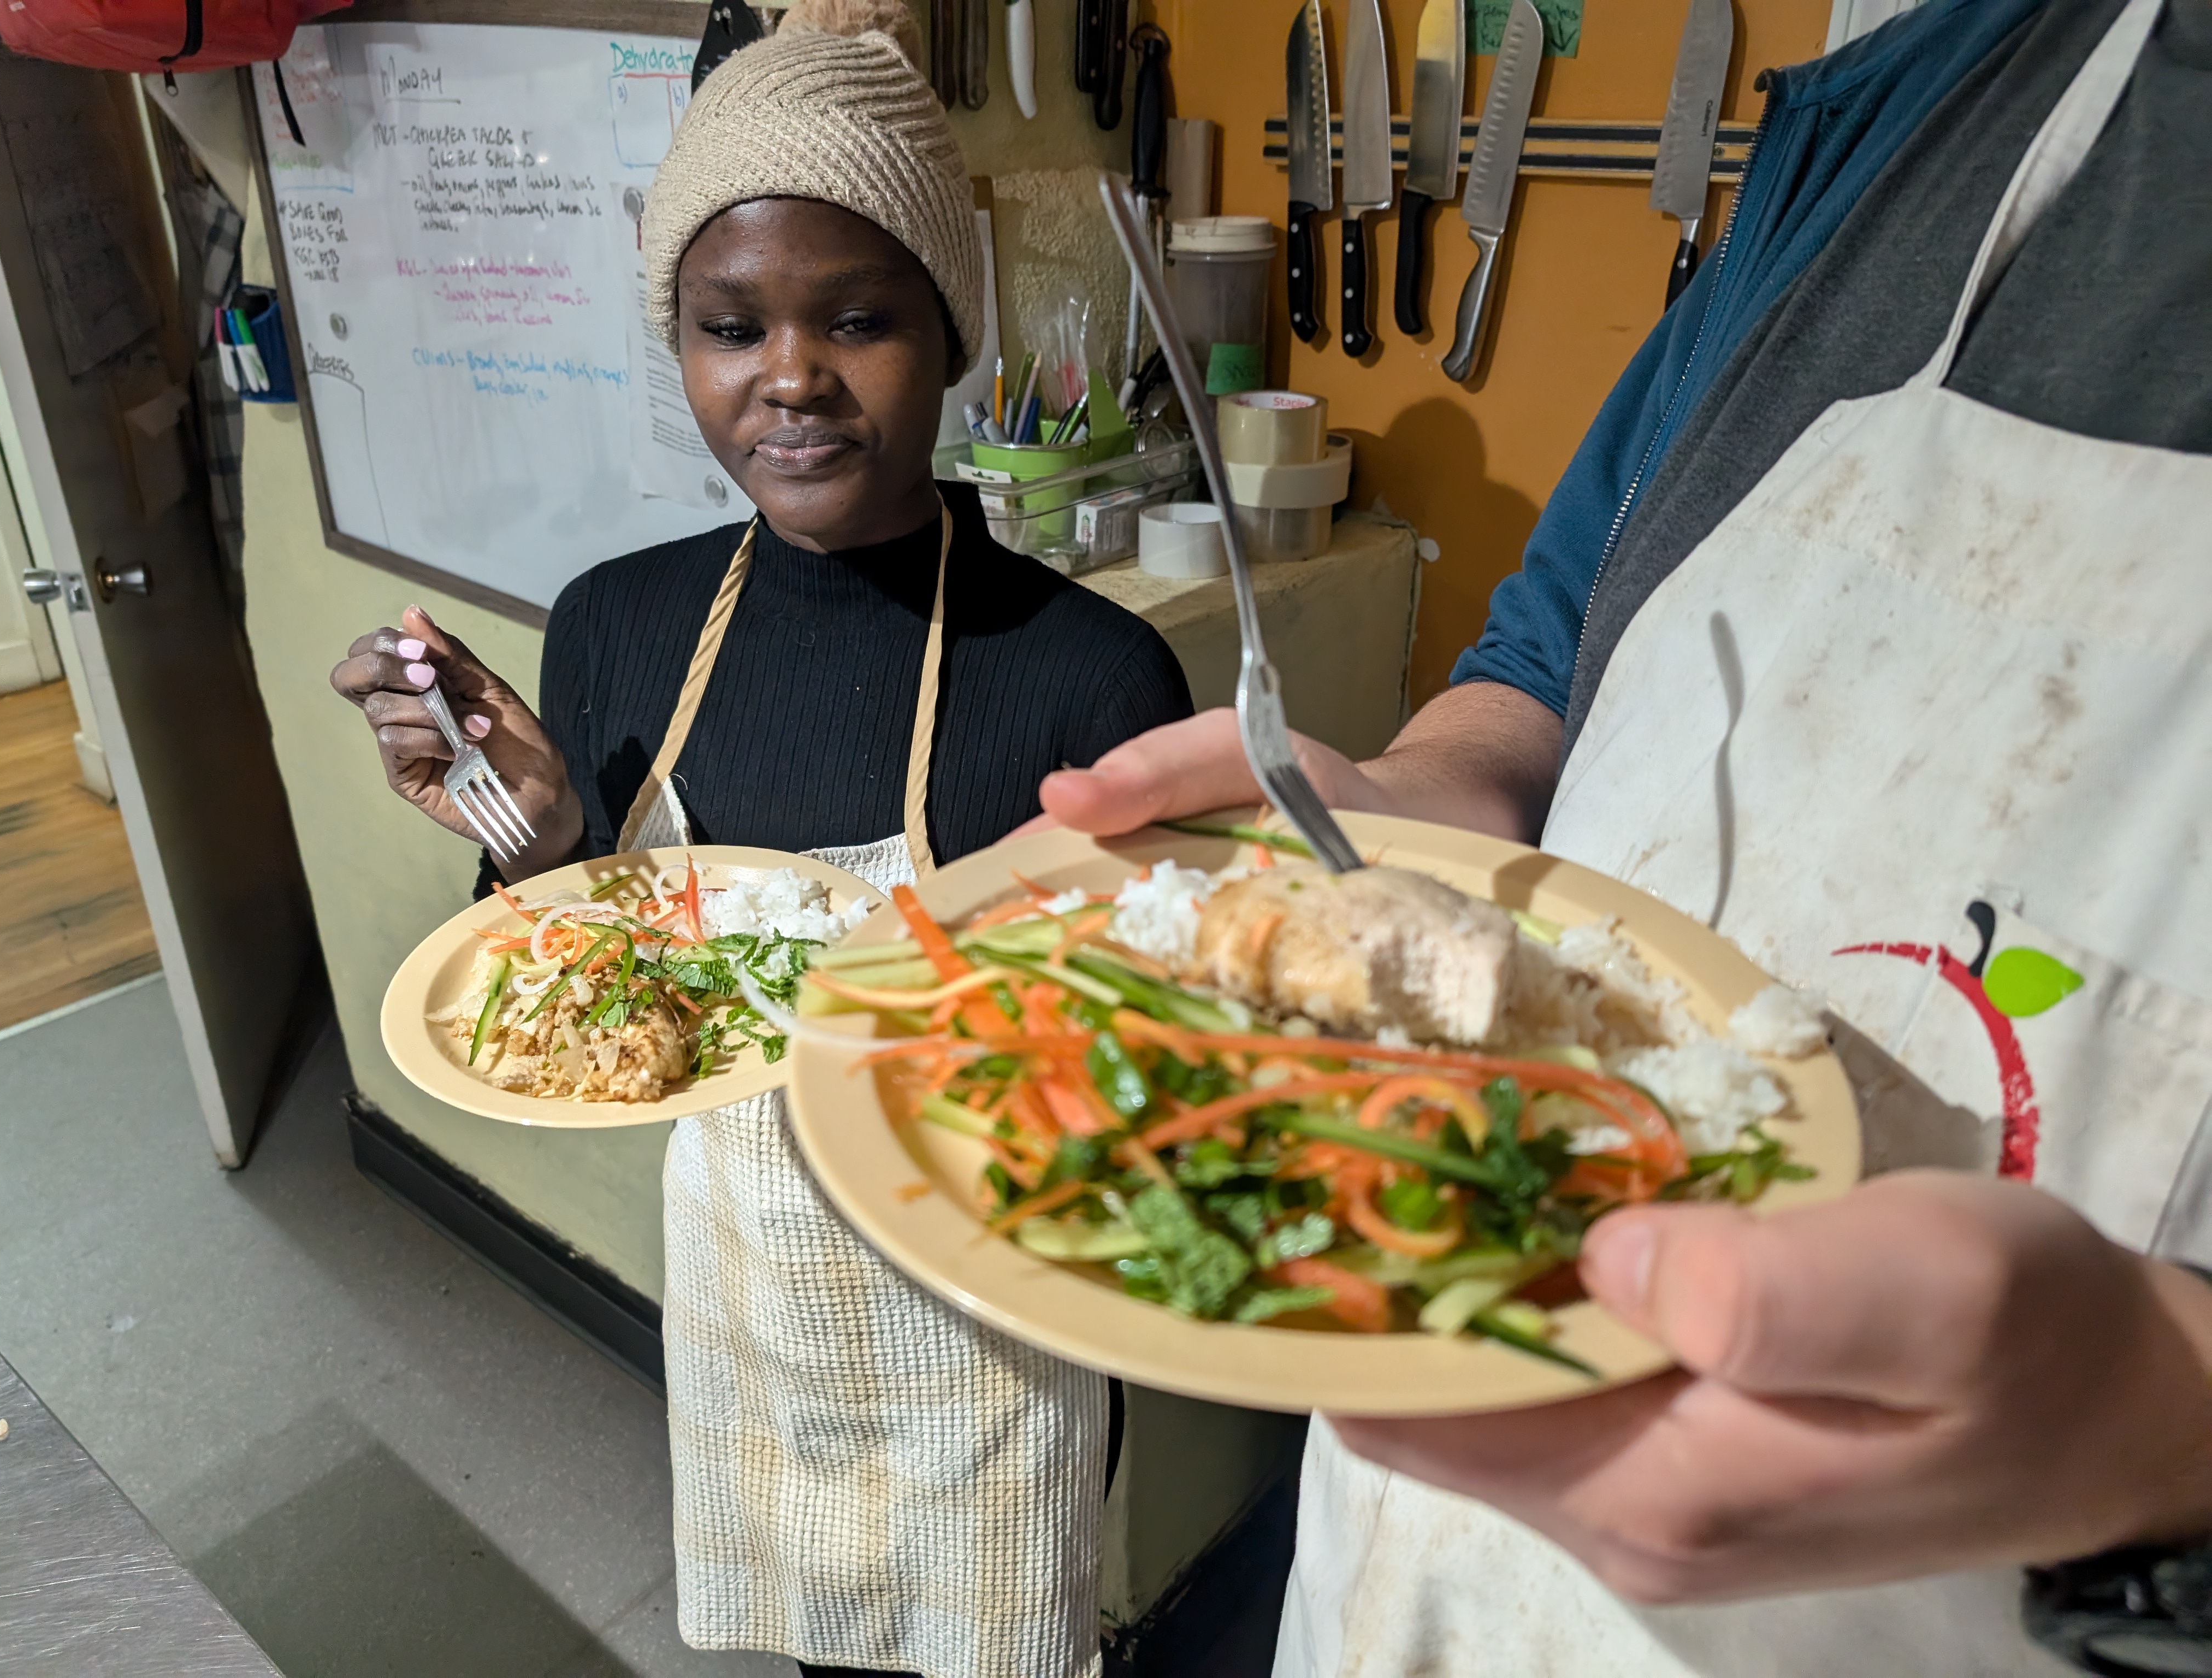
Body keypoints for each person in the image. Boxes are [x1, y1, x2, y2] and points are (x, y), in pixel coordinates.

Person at [1039, 0, 2212, 1671]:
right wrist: (1435, 791)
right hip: (1416, 1562)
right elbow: (1551, 650)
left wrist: (2163, 1420)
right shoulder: (1905, 109)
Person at [332, 4, 1191, 1674]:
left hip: (996, 1313)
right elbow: (586, 976)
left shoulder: (1089, 674)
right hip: (753, 1291)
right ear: (684, 345)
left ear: (949, 337)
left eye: (858, 318)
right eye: (732, 325)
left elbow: (1152, 1058)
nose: (789, 374)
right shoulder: (615, 629)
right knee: (817, 1648)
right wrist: (531, 827)